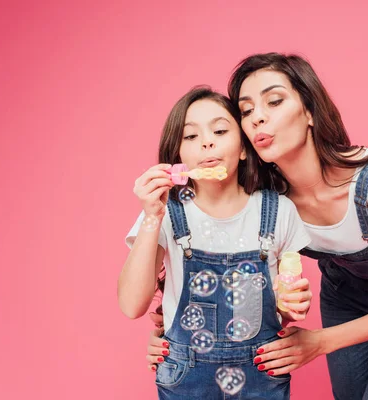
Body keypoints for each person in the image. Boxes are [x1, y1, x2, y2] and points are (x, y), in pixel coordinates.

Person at [145, 53, 368, 400]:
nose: (258, 117)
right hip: (346, 294)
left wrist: (320, 341)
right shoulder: (271, 200)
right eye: (247, 111)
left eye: (274, 101)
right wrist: (175, 333)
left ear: (309, 110)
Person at [118, 86, 313, 399]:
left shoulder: (278, 211)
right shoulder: (167, 210)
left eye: (220, 130)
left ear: (244, 149)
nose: (206, 141)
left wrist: (293, 302)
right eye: (191, 136)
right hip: (187, 379)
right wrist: (151, 215)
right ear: (179, 157)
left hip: (261, 376)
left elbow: (281, 308)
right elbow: (131, 305)